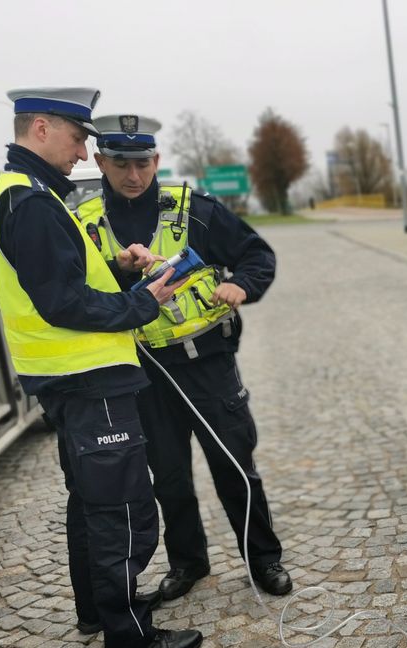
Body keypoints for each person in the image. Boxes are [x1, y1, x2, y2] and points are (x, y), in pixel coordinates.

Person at [0, 88, 202, 648]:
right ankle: (128, 638)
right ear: (39, 129)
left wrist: (119, 269)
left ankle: (96, 613)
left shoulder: (30, 195)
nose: (84, 153)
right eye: (78, 137)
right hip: (88, 377)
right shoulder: (30, 202)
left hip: (72, 377)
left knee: (89, 504)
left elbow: (68, 278)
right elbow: (63, 303)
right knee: (123, 510)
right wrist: (144, 303)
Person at [76, 114, 290, 600]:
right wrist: (118, 268)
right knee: (168, 477)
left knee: (235, 468)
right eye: (121, 164)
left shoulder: (196, 210)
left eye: (143, 163)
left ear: (157, 160)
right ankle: (188, 564)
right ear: (100, 161)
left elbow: (258, 255)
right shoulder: (85, 224)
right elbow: (78, 290)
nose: (134, 176)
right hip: (144, 372)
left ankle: (264, 561)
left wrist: (242, 284)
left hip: (208, 363)